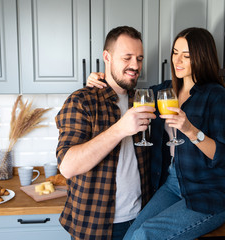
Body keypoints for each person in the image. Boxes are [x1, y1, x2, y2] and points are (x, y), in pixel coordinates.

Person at [87, 27, 225, 239]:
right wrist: (99, 78)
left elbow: (222, 154)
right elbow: (131, 91)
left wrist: (190, 130)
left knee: (144, 235)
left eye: (186, 55)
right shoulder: (165, 91)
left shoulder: (216, 95)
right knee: (130, 235)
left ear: (202, 57)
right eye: (175, 52)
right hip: (173, 183)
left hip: (208, 191)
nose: (178, 60)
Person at [55, 26, 156, 240]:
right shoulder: (81, 101)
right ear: (107, 57)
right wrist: (120, 129)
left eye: (139, 58)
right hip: (94, 225)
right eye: (127, 57)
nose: (135, 66)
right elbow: (67, 166)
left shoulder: (142, 98)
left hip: (142, 220)